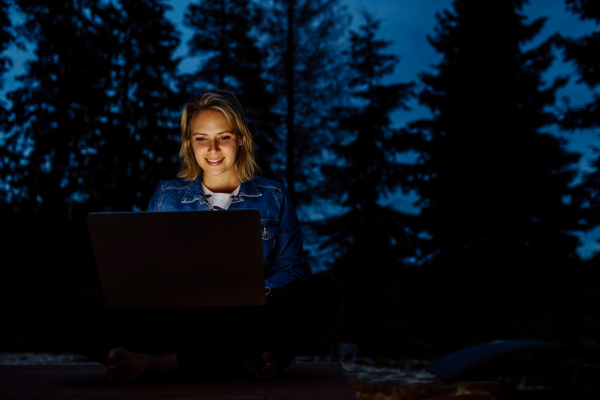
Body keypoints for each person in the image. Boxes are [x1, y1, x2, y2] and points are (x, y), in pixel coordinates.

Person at [56, 90, 340, 385]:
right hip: (176, 323)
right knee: (71, 309)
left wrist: (252, 293)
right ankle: (233, 362)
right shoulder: (166, 196)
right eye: (201, 138)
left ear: (241, 138)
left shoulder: (275, 196)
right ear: (189, 144)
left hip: (244, 321)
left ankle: (160, 365)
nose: (213, 148)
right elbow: (145, 272)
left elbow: (291, 271)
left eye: (224, 137)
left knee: (322, 292)